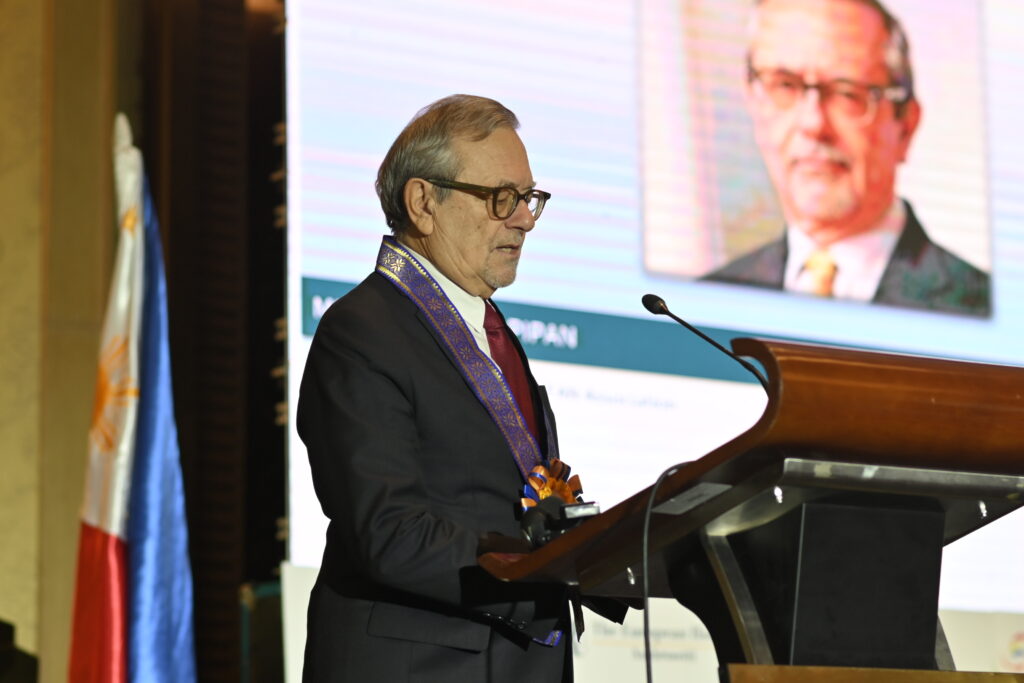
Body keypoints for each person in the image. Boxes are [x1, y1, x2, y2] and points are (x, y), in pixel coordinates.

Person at [297, 95, 620, 682]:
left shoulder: (495, 335)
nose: (523, 219)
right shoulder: (362, 331)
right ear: (424, 202)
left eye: (529, 198)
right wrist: (541, 570)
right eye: (501, 198)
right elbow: (388, 531)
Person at [703, 0, 990, 316]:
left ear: (906, 127)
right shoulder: (703, 310)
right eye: (784, 86)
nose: (813, 123)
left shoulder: (983, 311)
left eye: (847, 93)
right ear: (753, 105)